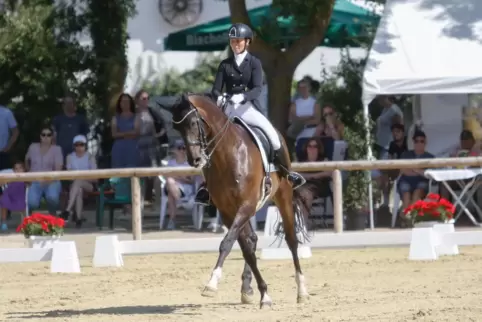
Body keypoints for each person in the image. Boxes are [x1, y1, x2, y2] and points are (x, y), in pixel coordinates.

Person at [194, 23, 305, 205]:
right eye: (233, 41)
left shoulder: (254, 63)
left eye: (239, 41)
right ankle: (207, 186)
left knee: (273, 135)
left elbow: (257, 89)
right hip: (228, 109)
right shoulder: (225, 65)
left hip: (247, 108)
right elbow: (215, 89)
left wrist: (242, 96)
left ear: (247, 42)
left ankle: (288, 174)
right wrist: (220, 97)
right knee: (209, 143)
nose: (236, 44)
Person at [25, 126, 63, 216]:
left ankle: (53, 215)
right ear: (40, 136)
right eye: (43, 135)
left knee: (52, 198)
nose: (46, 137)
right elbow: (26, 160)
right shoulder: (32, 147)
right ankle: (31, 217)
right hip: (34, 179)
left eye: (49, 135)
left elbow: (58, 168)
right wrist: (27, 175)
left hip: (52, 180)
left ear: (52, 137)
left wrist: (47, 180)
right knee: (32, 202)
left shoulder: (57, 149)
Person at [398, 131, 434, 222]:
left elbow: (429, 173)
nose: (419, 143)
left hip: (422, 182)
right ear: (413, 142)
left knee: (417, 192)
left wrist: (414, 169)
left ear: (425, 143)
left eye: (421, 141)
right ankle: (409, 216)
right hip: (406, 180)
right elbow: (403, 171)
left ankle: (406, 215)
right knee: (406, 193)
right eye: (416, 141)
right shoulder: (405, 155)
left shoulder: (430, 157)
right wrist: (419, 171)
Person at [62, 135, 97, 228]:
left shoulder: (90, 157)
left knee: (78, 181)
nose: (79, 147)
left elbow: (95, 177)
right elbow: (69, 176)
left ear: (85, 145)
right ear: (74, 146)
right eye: (77, 145)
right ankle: (78, 218)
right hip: (74, 186)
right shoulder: (70, 157)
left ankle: (67, 210)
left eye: (81, 145)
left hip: (89, 185)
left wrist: (80, 177)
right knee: (79, 190)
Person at [297, 138, 332, 225]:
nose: (312, 149)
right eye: (310, 146)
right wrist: (311, 176)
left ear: (318, 149)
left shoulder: (324, 160)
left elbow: (329, 173)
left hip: (318, 186)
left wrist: (313, 176)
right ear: (306, 148)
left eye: (315, 146)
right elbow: (293, 173)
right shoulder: (301, 161)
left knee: (306, 194)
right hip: (303, 185)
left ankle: (302, 224)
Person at [164, 140, 195, 230]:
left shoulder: (190, 163)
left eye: (184, 148)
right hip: (172, 186)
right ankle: (181, 202)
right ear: (174, 150)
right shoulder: (170, 163)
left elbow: (192, 181)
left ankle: (172, 221)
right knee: (170, 182)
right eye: (179, 148)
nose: (182, 150)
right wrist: (182, 177)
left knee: (170, 194)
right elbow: (166, 176)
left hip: (185, 188)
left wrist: (178, 177)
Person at [0, 161, 26, 231]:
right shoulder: (10, 177)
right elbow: (3, 184)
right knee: (3, 201)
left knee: (23, 205)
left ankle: (24, 222)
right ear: (13, 170)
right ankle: (3, 223)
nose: (18, 170)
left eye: (20, 168)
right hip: (9, 196)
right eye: (16, 169)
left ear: (24, 170)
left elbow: (29, 186)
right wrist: (3, 183)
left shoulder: (26, 178)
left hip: (20, 198)